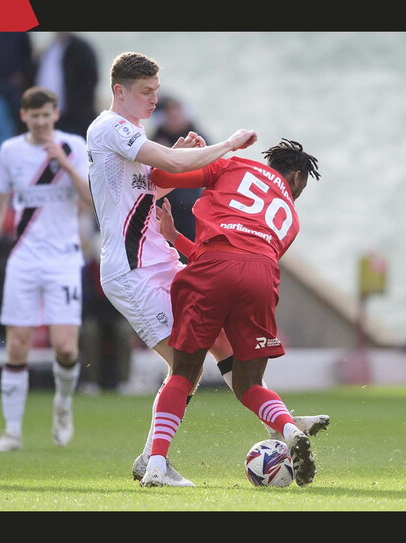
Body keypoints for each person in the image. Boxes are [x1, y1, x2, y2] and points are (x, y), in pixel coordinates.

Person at [85, 51, 328, 487]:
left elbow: (153, 184)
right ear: (119, 91)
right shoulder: (110, 126)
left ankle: (278, 424)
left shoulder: (135, 134)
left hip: (165, 260)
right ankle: (157, 464)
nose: (155, 99)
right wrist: (228, 144)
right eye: (146, 91)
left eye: (158, 91)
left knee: (217, 351)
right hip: (133, 268)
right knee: (187, 366)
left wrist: (173, 165)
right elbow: (175, 169)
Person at [140, 138, 323, 487]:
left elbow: (164, 173)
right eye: (303, 184)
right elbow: (243, 260)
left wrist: (187, 153)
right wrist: (177, 238)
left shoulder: (232, 166)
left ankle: (157, 463)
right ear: (297, 177)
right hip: (260, 275)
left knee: (183, 373)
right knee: (248, 383)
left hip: (211, 268)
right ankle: (288, 428)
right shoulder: (291, 218)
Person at [0, 86, 93, 451]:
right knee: (18, 347)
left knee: (66, 348)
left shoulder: (74, 145)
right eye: (34, 116)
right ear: (24, 116)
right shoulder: (11, 151)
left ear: (55, 114)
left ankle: (63, 406)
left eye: (46, 115)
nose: (41, 122)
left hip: (63, 259)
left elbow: (92, 202)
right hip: (24, 258)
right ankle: (12, 431)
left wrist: (65, 163)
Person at [152, 96, 205, 262]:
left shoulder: (198, 138)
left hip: (193, 212)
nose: (175, 118)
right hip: (166, 210)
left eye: (177, 114)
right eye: (170, 115)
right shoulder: (155, 142)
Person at [34, 32, 100, 138]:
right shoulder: (50, 49)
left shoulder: (81, 49)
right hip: (50, 116)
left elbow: (91, 80)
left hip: (74, 117)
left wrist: (78, 108)